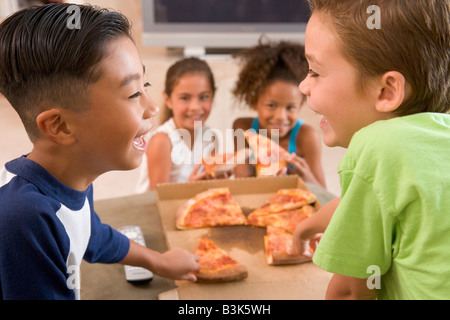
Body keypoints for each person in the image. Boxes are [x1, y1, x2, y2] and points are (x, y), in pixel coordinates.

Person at [0, 4, 200, 300]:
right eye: (133, 93)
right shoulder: (24, 219)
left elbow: (89, 233)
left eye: (145, 83)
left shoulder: (72, 175)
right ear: (61, 126)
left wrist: (159, 261)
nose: (153, 107)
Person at [290, 0, 450, 300]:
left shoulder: (378, 146)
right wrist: (307, 226)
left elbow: (350, 292)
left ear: (386, 91)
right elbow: (371, 200)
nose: (303, 86)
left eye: (315, 72)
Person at [232, 38, 326, 188]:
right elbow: (241, 183)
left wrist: (304, 175)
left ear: (301, 104)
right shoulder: (243, 127)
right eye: (271, 105)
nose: (280, 117)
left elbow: (323, 195)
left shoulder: (306, 136)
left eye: (290, 108)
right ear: (255, 102)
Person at [137, 57, 225, 191]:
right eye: (185, 98)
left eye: (203, 97)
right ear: (168, 99)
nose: (195, 107)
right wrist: (192, 188)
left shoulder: (211, 137)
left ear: (213, 96)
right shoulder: (162, 141)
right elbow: (158, 200)